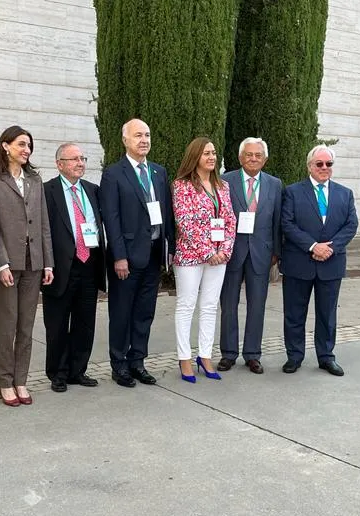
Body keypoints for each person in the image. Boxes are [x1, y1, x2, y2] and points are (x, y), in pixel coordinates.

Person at [99, 118, 175, 387]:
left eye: (147, 135)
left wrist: (170, 248)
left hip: (154, 254)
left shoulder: (158, 172)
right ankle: (119, 364)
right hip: (127, 257)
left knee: (145, 311)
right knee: (122, 311)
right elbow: (111, 218)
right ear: (125, 141)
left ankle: (137, 361)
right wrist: (119, 256)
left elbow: (166, 213)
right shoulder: (113, 174)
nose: (144, 140)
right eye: (138, 135)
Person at [0, 126, 54, 406]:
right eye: (21, 144)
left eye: (29, 146)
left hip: (34, 263)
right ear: (5, 146)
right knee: (7, 326)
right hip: (7, 265)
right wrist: (0, 263)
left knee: (26, 326)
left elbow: (44, 223)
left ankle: (21, 380)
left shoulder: (35, 180)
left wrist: (48, 263)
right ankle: (4, 382)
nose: (26, 150)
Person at [280, 145, 358, 377]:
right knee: (294, 314)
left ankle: (326, 357)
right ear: (309, 166)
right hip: (299, 263)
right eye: (319, 164)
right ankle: (294, 356)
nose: (324, 168)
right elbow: (287, 224)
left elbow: (351, 225)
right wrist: (313, 246)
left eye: (329, 164)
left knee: (327, 314)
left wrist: (329, 249)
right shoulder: (293, 192)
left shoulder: (345, 193)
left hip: (331, 264)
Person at [41, 143, 107, 392]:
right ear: (60, 164)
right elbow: (43, 231)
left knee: (85, 322)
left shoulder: (92, 190)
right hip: (59, 267)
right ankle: (57, 373)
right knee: (57, 324)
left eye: (83, 158)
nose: (80, 163)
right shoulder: (47, 191)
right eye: (74, 159)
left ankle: (78, 370)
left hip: (88, 264)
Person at [172, 137, 237, 382]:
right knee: (186, 306)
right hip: (191, 256)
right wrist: (208, 251)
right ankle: (184, 358)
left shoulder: (223, 186)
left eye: (213, 153)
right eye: (206, 153)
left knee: (210, 306)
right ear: (195, 157)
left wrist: (224, 250)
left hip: (219, 257)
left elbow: (230, 220)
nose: (212, 157)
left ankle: (205, 355)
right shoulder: (182, 185)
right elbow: (185, 222)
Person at [218, 137, 283, 375]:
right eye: (249, 154)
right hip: (232, 251)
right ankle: (228, 354)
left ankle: (253, 354)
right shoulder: (225, 181)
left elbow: (277, 220)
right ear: (240, 157)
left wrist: (276, 251)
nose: (253, 159)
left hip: (261, 253)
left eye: (258, 155)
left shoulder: (275, 184)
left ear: (264, 159)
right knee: (228, 305)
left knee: (257, 305)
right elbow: (219, 216)